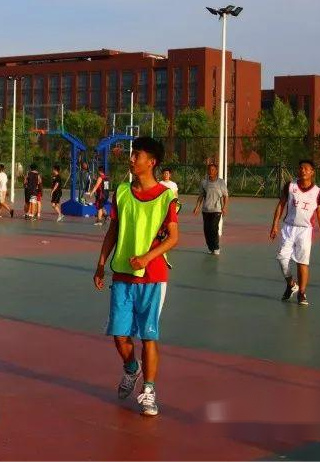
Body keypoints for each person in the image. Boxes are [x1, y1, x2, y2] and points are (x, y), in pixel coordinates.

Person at [93, 136, 179, 417]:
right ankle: (132, 369)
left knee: (148, 336)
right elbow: (113, 231)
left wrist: (147, 257)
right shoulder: (121, 192)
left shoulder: (166, 196)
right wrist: (101, 263)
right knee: (119, 335)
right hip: (122, 274)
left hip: (153, 276)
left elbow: (173, 238)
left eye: (137, 154)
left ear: (151, 162)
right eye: (132, 154)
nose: (131, 158)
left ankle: (149, 390)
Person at [269, 160, 320, 306]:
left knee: (302, 262)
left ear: (312, 172)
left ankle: (302, 293)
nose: (303, 170)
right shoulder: (290, 186)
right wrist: (275, 225)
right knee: (282, 258)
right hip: (288, 228)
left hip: (305, 230)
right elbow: (281, 205)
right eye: (301, 168)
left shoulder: (317, 191)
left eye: (306, 168)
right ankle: (291, 284)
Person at [192, 162, 228, 255]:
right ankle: (210, 247)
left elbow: (225, 196)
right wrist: (197, 207)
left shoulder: (221, 182)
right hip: (206, 210)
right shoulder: (204, 182)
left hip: (216, 210)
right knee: (206, 230)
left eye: (213, 170)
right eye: (209, 170)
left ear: (216, 171)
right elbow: (201, 196)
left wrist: (224, 207)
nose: (211, 171)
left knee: (213, 228)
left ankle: (216, 247)